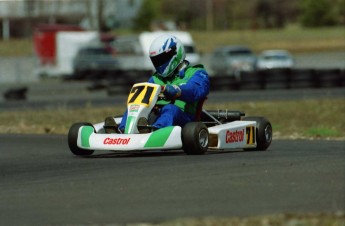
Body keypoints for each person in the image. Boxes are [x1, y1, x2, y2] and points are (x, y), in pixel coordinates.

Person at [104, 34, 210, 133]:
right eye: (157, 61)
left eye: (162, 59)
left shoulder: (197, 73)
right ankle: (123, 131)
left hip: (185, 118)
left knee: (170, 109)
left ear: (175, 53)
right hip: (157, 113)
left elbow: (195, 90)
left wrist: (177, 90)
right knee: (135, 106)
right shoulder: (156, 78)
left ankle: (155, 131)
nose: (159, 63)